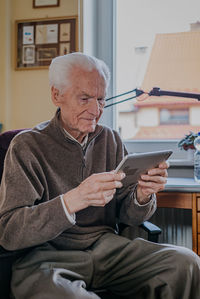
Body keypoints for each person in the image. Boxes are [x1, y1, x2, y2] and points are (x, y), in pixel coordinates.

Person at [0, 52, 199, 299]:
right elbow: (9, 232)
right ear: (56, 95)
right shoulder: (26, 146)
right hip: (47, 258)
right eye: (84, 98)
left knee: (187, 263)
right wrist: (75, 199)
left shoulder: (110, 139)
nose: (96, 110)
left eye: (101, 99)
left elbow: (129, 216)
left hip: (108, 249)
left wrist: (142, 195)